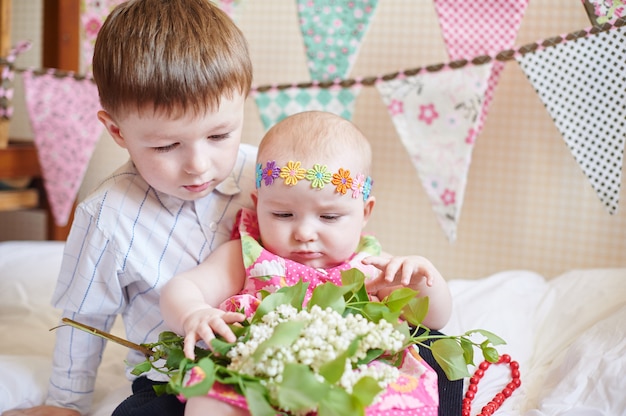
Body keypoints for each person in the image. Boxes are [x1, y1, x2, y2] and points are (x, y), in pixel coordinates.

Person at [1, 1, 256, 416]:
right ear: (117, 130)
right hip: (167, 381)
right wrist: (65, 403)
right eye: (166, 145)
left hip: (266, 366)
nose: (198, 164)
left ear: (242, 101)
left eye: (219, 135)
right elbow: (85, 320)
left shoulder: (265, 176)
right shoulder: (106, 216)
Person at [160, 110, 458, 416]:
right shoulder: (247, 256)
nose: (304, 233)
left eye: (328, 217)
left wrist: (422, 280)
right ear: (258, 204)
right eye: (283, 214)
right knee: (207, 400)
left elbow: (436, 319)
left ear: (364, 212)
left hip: (348, 382)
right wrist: (193, 313)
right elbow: (184, 286)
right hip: (257, 373)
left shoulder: (372, 267)